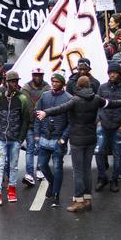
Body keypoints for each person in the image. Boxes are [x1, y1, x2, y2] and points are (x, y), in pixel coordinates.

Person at [36, 76, 121, 213]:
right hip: (91, 138)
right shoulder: (96, 99)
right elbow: (112, 103)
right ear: (89, 85)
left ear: (78, 86)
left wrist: (45, 112)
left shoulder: (75, 100)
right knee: (86, 170)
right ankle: (88, 200)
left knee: (78, 171)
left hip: (77, 140)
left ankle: (78, 200)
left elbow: (60, 108)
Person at [0, 71, 31, 206]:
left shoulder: (22, 98)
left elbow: (26, 119)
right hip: (1, 138)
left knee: (13, 166)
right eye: (12, 81)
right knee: (0, 165)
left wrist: (20, 138)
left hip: (14, 139)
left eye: (16, 81)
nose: (14, 84)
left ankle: (12, 189)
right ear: (6, 82)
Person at [94, 62, 121, 193]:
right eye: (110, 72)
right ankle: (102, 177)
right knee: (98, 151)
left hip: (118, 127)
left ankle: (114, 180)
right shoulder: (102, 87)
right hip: (103, 125)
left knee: (117, 155)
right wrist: (98, 120)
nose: (112, 74)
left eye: (115, 72)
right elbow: (97, 104)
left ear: (120, 74)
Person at [34, 72, 72, 207]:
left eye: (57, 81)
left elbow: (71, 122)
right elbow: (38, 115)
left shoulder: (69, 98)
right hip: (44, 137)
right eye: (52, 81)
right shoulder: (45, 96)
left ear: (62, 83)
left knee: (57, 167)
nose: (54, 83)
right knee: (42, 165)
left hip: (58, 139)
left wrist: (63, 138)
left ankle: (56, 194)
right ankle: (52, 182)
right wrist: (37, 134)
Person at [21, 68, 50, 186]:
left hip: (42, 123)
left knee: (41, 148)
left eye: (39, 75)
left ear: (42, 76)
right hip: (29, 124)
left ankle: (39, 170)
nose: (37, 77)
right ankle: (29, 173)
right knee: (30, 149)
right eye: (35, 75)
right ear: (32, 75)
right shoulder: (25, 89)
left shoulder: (47, 88)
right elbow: (24, 107)